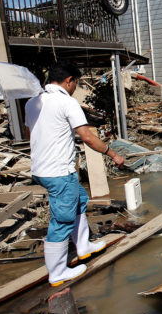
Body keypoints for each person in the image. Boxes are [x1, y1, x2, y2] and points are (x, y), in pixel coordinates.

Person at [25, 61, 125, 286]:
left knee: (79, 198)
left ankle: (83, 246)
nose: (74, 88)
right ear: (68, 80)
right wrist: (113, 154)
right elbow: (87, 137)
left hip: (41, 169)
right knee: (62, 221)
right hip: (59, 171)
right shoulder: (66, 102)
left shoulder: (32, 103)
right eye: (75, 84)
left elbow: (30, 131)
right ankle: (58, 272)